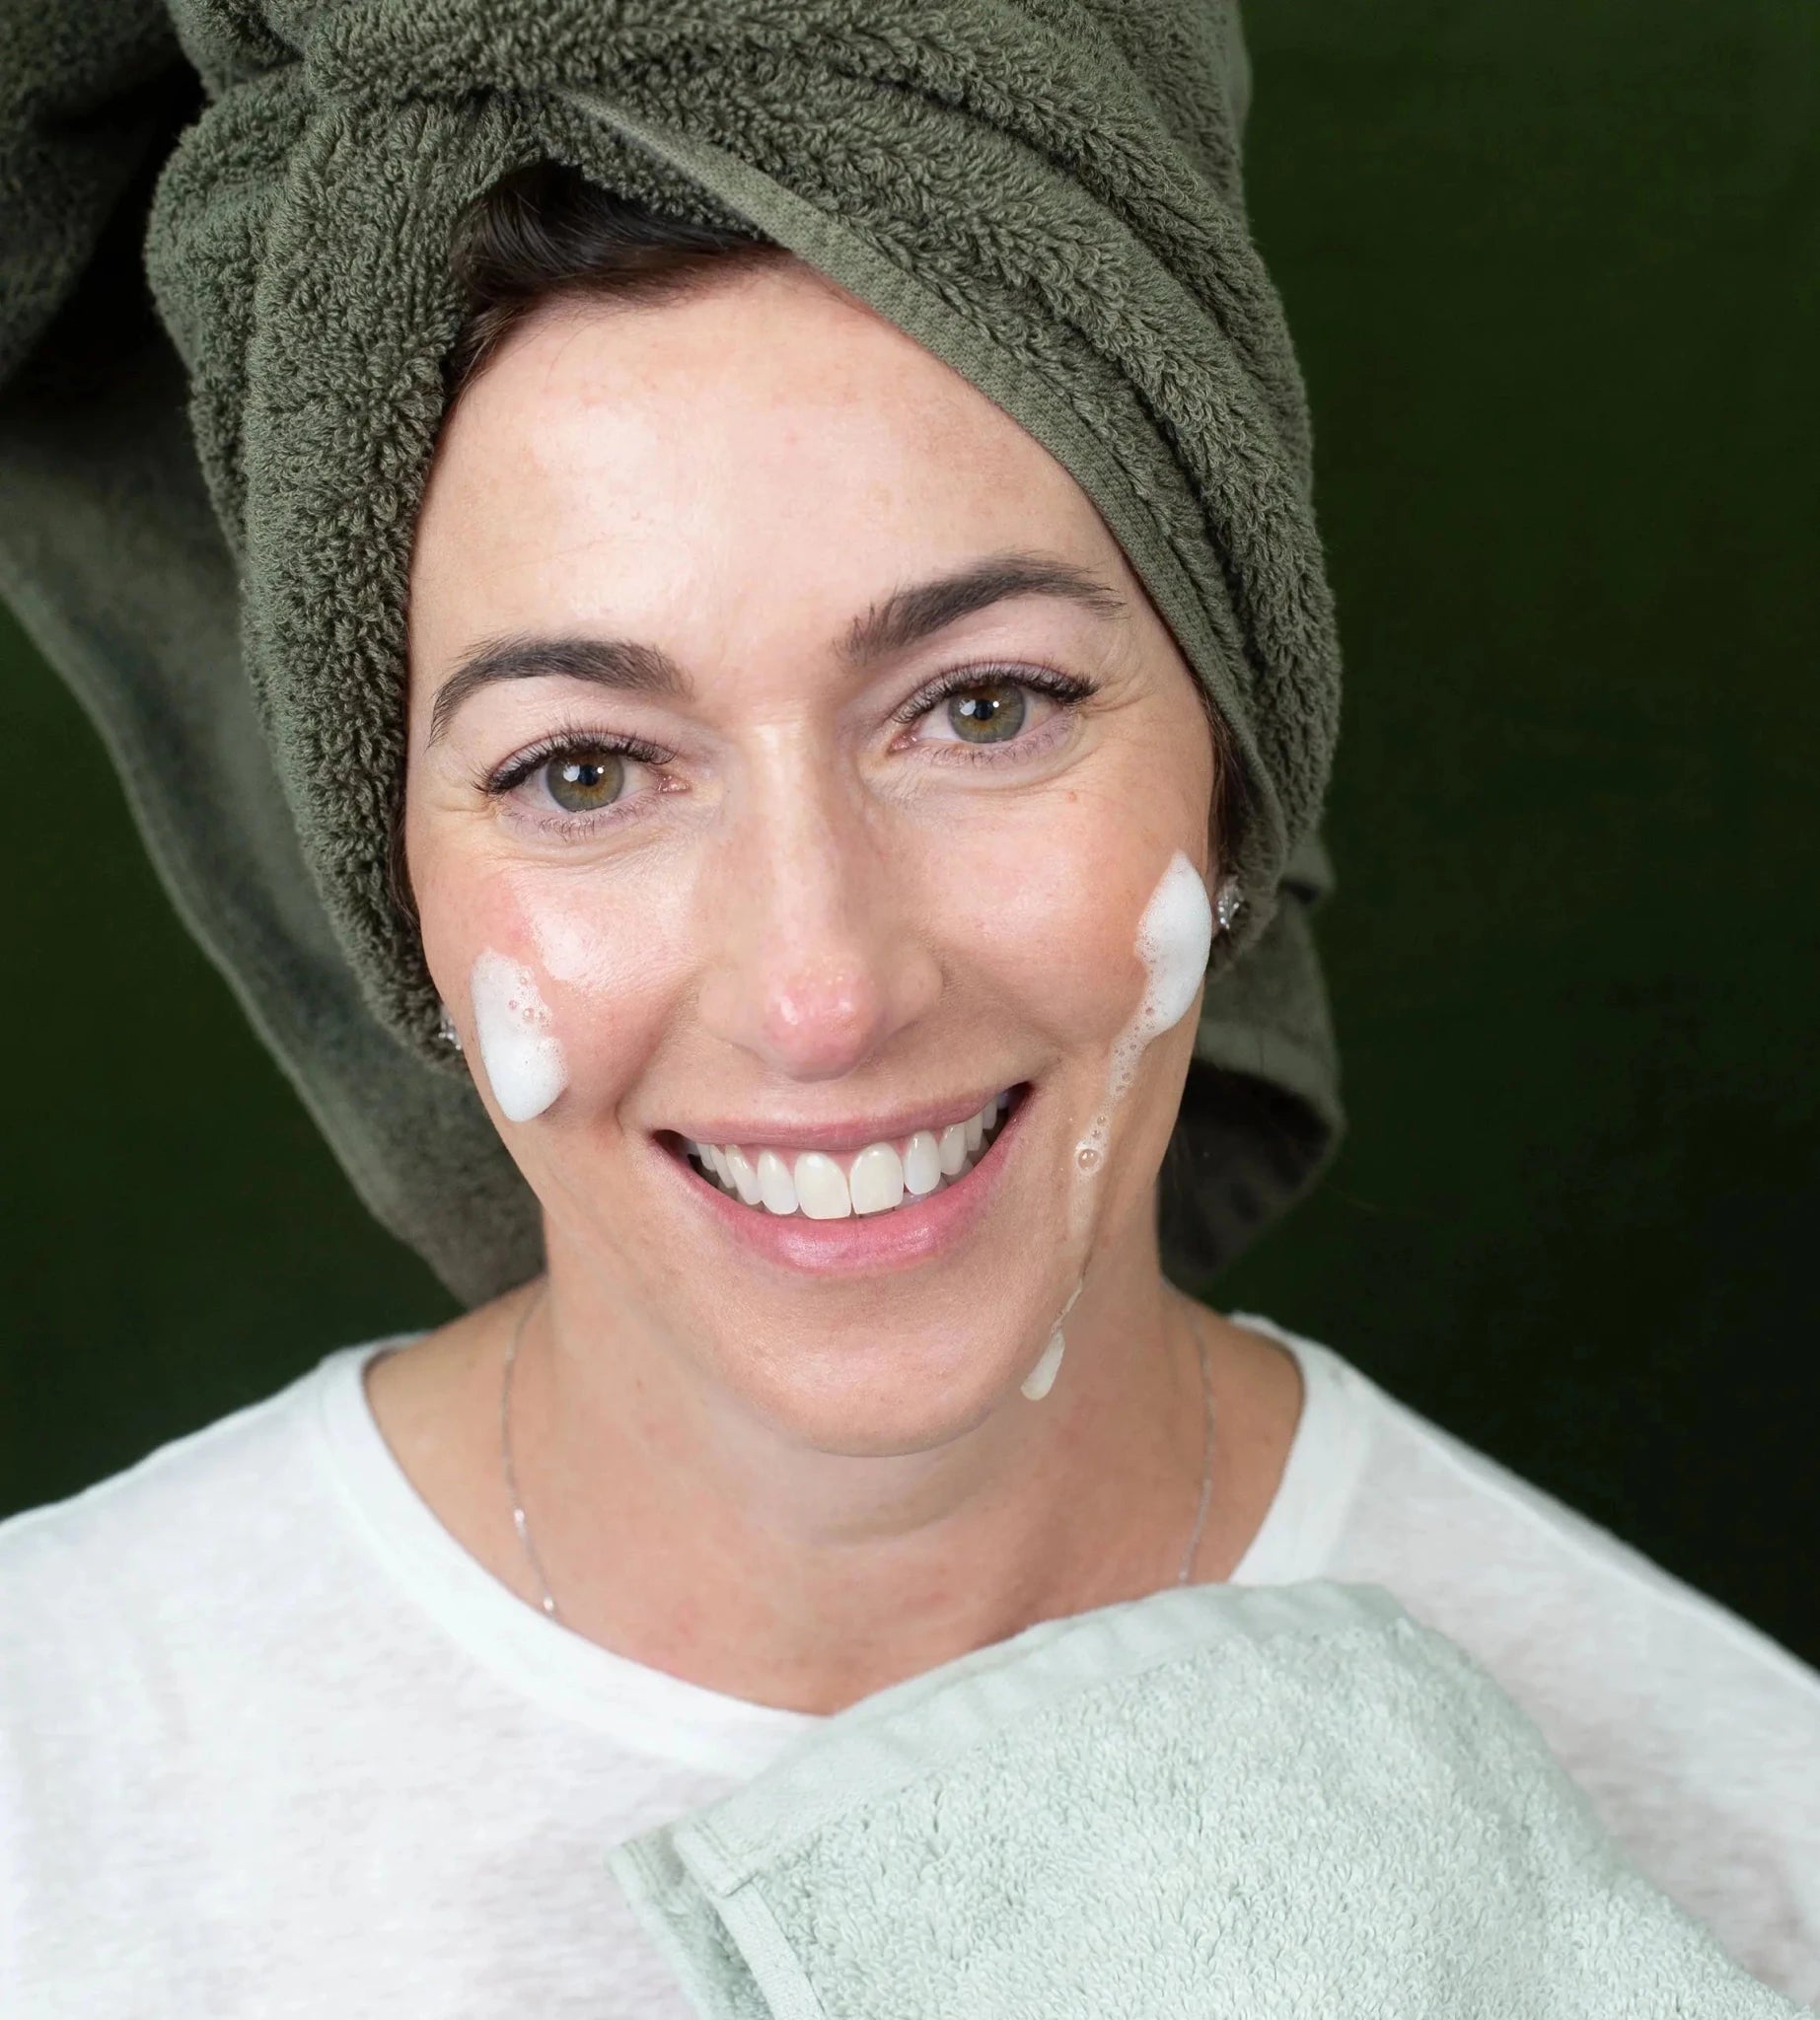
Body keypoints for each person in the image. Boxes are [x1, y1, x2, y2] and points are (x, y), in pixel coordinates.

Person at [1, 9, 1815, 2015]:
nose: (821, 987)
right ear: (398, 892)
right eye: (584, 770)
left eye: (982, 706)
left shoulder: (1746, 1842)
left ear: (1232, 765)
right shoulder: (51, 1791)